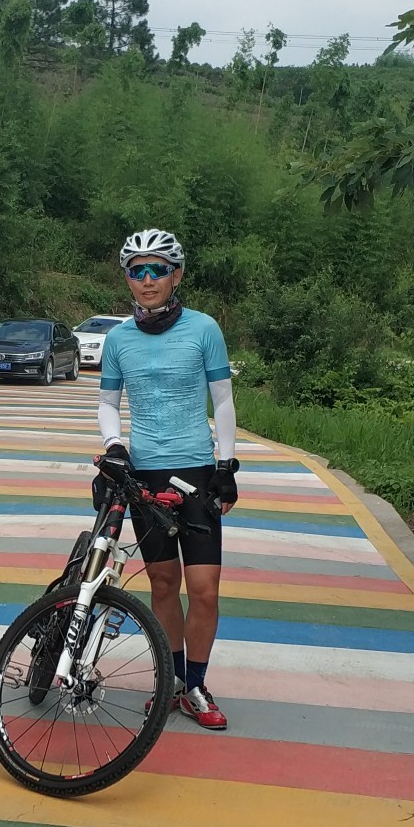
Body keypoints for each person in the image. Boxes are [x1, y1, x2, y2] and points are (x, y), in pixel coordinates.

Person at [96, 228, 238, 731]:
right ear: (128, 278)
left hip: (197, 469)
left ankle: (196, 683)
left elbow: (221, 398)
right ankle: (175, 681)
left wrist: (227, 465)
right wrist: (115, 448)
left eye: (158, 269)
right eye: (138, 270)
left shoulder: (203, 329)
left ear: (177, 274)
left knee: (204, 588)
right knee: (162, 582)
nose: (148, 279)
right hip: (144, 470)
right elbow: (108, 404)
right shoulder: (117, 339)